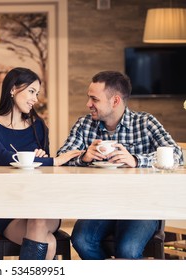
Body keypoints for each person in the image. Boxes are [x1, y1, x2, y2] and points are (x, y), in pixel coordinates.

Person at [57, 70, 184, 259]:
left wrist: (136, 160)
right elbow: (62, 157)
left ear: (115, 101)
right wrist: (84, 157)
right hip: (101, 205)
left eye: (94, 99)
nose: (88, 104)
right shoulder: (84, 125)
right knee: (82, 240)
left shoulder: (145, 123)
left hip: (143, 205)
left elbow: (177, 155)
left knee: (127, 250)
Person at [0, 67, 82, 260]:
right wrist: (51, 161)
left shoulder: (39, 126)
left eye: (37, 93)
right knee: (48, 243)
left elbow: (46, 172)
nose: (35, 99)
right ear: (13, 89)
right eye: (31, 92)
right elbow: (2, 157)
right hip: (7, 208)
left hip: (41, 203)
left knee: (39, 220)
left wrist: (43, 161)